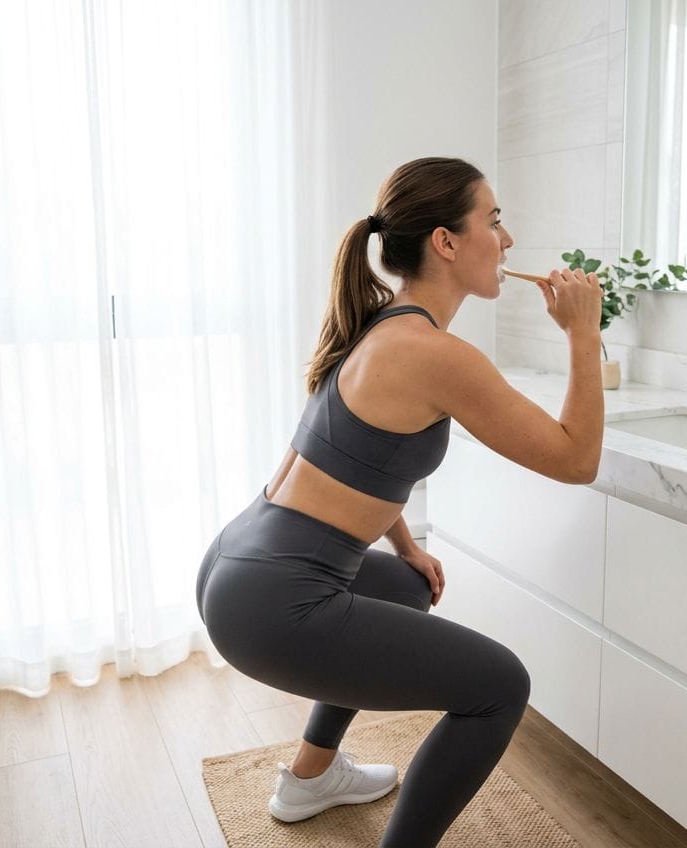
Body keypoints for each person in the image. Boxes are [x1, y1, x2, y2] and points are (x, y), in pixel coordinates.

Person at [194, 157, 603, 847]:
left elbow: (345, 461)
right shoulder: (436, 354)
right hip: (274, 601)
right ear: (446, 241)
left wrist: (407, 549)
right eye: (494, 221)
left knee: (405, 590)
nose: (507, 240)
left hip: (237, 565)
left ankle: (310, 777)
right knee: (500, 687)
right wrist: (583, 334)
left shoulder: (381, 323)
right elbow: (576, 459)